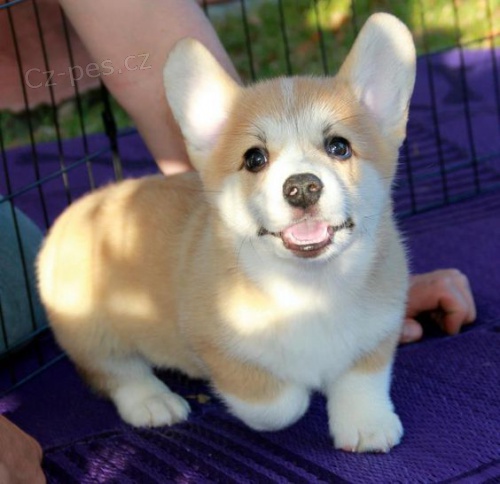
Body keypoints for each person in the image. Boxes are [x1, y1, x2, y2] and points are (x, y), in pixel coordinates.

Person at [1, 1, 477, 479]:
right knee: (36, 280)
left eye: (337, 147)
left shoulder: (386, 279)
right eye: (256, 158)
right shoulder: (222, 303)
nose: (301, 183)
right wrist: (270, 401)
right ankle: (123, 380)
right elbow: (209, 333)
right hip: (93, 268)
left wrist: (362, 395)